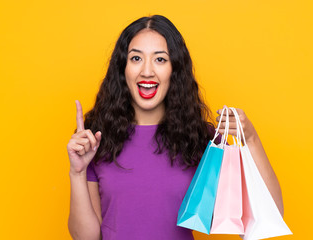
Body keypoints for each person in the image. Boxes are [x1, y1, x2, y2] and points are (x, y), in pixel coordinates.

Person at [67, 15, 284, 240]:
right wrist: (77, 171)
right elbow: (86, 238)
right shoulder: (97, 139)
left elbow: (269, 216)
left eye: (160, 59)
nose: (147, 71)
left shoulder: (201, 140)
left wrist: (250, 139)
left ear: (175, 69)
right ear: (123, 68)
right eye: (136, 58)